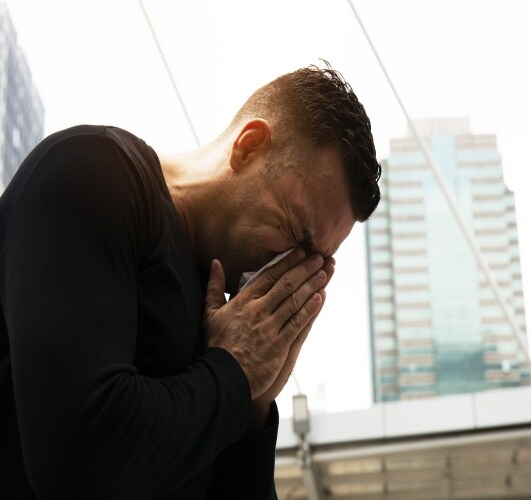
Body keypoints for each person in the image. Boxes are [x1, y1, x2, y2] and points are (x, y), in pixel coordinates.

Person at [0, 63, 381, 499]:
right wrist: (232, 376)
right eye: (296, 233)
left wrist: (254, 410)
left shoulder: (229, 325)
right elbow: (76, 461)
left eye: (317, 262)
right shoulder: (92, 174)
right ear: (249, 145)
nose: (293, 274)